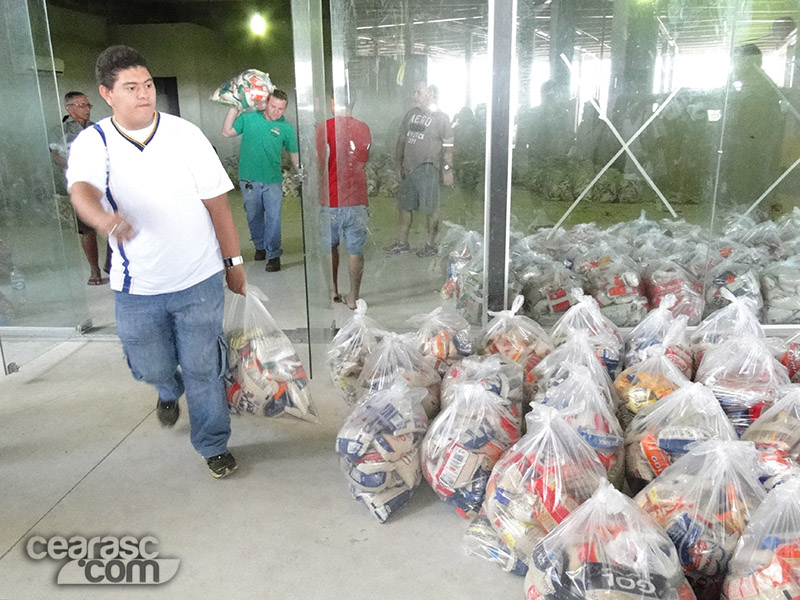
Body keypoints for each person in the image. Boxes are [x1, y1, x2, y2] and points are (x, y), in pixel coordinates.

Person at [67, 45, 246, 479]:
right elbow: (82, 191)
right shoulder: (95, 141)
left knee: (204, 366)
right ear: (107, 94)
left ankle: (212, 444)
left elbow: (217, 204)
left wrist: (233, 261)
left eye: (147, 85)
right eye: (131, 87)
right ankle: (168, 387)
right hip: (136, 287)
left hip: (199, 278)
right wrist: (105, 220)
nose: (144, 94)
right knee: (153, 364)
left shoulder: (185, 134)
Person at [221, 89, 300, 272]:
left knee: (273, 219)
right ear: (266, 103)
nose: (276, 112)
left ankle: (274, 255)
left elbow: (293, 153)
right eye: (273, 106)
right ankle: (260, 246)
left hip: (273, 181)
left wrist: (300, 172)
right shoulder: (248, 119)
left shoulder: (286, 128)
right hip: (249, 179)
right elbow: (226, 132)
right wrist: (235, 107)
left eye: (281, 109)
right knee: (253, 215)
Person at [315, 94, 371, 309]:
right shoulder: (363, 128)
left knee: (330, 247)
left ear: (332, 103)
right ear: (353, 103)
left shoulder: (324, 128)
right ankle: (354, 297)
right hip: (356, 199)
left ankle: (333, 291)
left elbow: (319, 162)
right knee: (355, 251)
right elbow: (363, 161)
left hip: (330, 200)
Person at [385, 82, 454, 258]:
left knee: (431, 209)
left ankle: (431, 244)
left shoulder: (441, 118)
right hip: (409, 169)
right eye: (413, 92)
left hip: (428, 168)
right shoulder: (410, 115)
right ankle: (402, 243)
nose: (414, 95)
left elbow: (448, 148)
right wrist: (398, 164)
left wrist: (447, 170)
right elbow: (401, 141)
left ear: (429, 93)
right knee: (404, 207)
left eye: (418, 92)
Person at [50, 91, 110, 285]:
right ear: (70, 108)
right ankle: (94, 271)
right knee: (88, 229)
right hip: (80, 186)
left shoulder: (97, 129)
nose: (86, 110)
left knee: (112, 221)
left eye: (88, 106)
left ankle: (110, 263)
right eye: (82, 105)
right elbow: (56, 156)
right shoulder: (60, 131)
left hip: (103, 183)